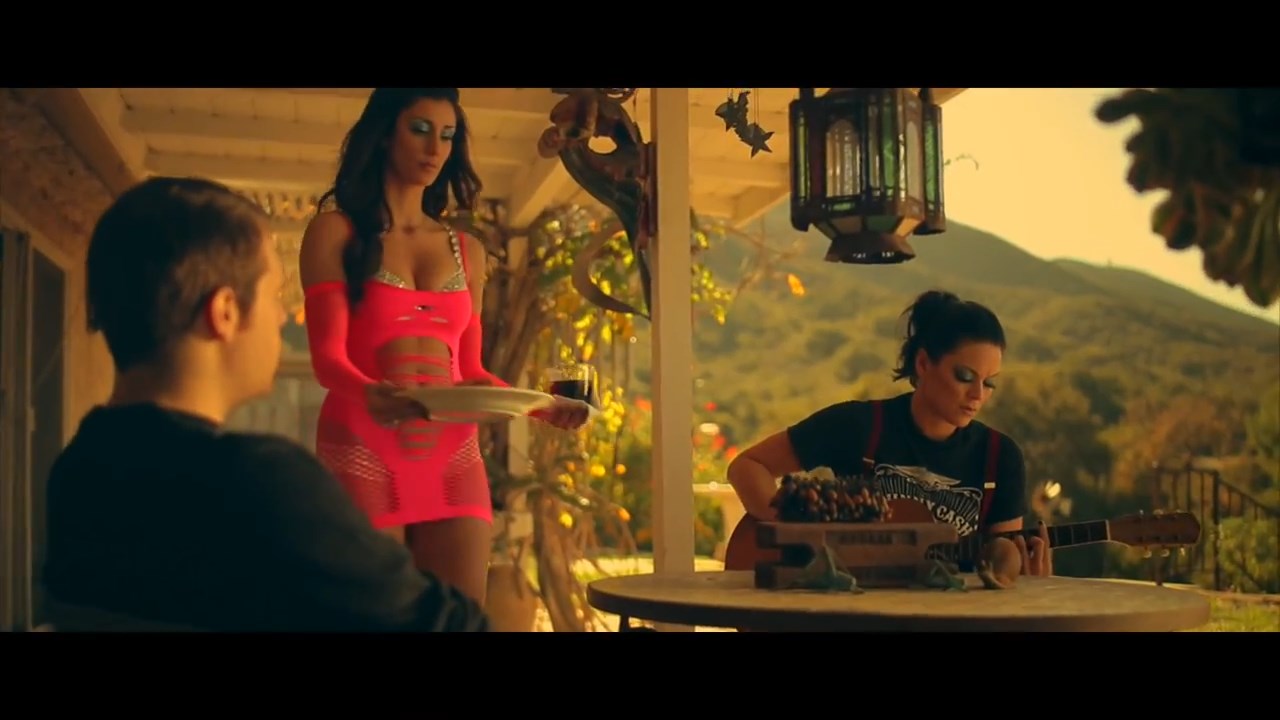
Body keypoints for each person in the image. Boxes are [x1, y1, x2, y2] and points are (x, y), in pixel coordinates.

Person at [42, 176, 490, 632]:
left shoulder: (77, 472)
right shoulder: (262, 484)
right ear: (225, 313)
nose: (280, 317)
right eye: (274, 295)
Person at [299, 87, 588, 605]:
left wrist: (542, 406)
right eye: (420, 130)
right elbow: (327, 361)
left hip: (454, 459)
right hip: (363, 450)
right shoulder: (334, 232)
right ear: (384, 135)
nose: (435, 148)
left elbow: (470, 371)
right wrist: (369, 393)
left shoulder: (466, 249)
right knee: (375, 617)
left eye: (448, 135)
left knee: (460, 618)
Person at [726, 289, 1052, 576]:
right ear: (923, 364)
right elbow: (748, 466)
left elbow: (1001, 565)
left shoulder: (999, 457)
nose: (978, 394)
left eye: (990, 382)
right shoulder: (859, 425)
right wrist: (796, 535)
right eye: (965, 376)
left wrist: (1021, 576)